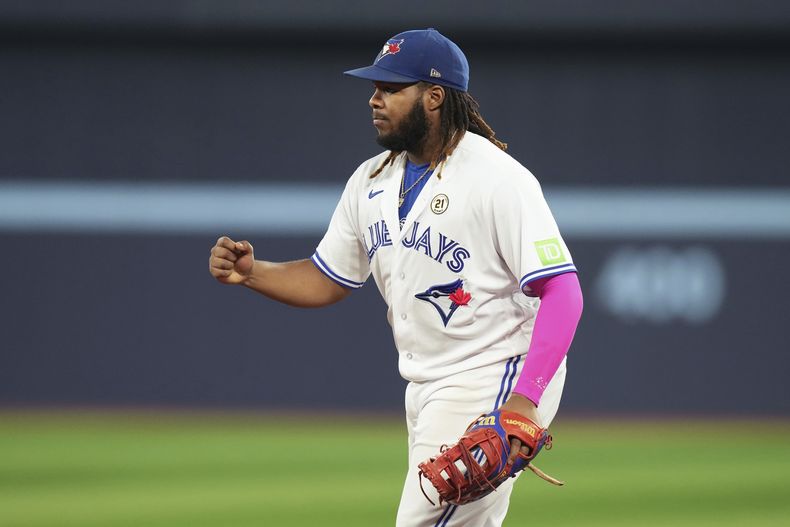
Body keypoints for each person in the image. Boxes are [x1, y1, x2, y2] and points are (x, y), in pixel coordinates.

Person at [209, 28, 583, 527]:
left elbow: (563, 292)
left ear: (434, 97)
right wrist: (254, 273)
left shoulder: (500, 179)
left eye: (390, 88)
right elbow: (328, 277)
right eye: (375, 86)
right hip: (426, 384)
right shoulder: (370, 180)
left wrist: (524, 400)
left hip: (496, 373)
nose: (374, 98)